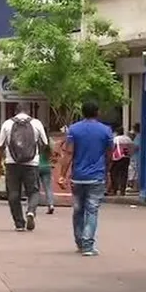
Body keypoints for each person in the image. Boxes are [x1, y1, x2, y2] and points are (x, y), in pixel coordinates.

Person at [58, 101, 114, 256]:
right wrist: (107, 172)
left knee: (78, 210)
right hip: (96, 176)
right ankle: (88, 245)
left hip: (78, 177)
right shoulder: (106, 131)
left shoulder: (74, 130)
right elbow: (110, 155)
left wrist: (62, 175)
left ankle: (80, 242)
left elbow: (68, 153)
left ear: (82, 112)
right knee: (92, 210)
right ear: (98, 112)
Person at [0, 103, 48, 232]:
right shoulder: (36, 123)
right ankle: (31, 211)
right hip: (31, 163)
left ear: (15, 111)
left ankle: (19, 223)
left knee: (13, 194)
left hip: (11, 163)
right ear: (28, 111)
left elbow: (0, 146)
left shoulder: (7, 124)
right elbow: (45, 143)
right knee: (34, 191)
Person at [109, 127, 134, 196]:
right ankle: (122, 190)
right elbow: (132, 148)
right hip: (126, 158)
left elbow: (112, 148)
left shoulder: (116, 139)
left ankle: (115, 189)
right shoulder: (128, 139)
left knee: (114, 173)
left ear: (117, 132)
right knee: (124, 174)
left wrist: (110, 157)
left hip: (117, 158)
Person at [38, 134, 55, 214]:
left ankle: (32, 205)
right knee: (48, 188)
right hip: (46, 166)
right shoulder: (49, 142)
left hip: (36, 166)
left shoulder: (35, 140)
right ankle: (50, 204)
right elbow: (53, 154)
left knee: (34, 188)